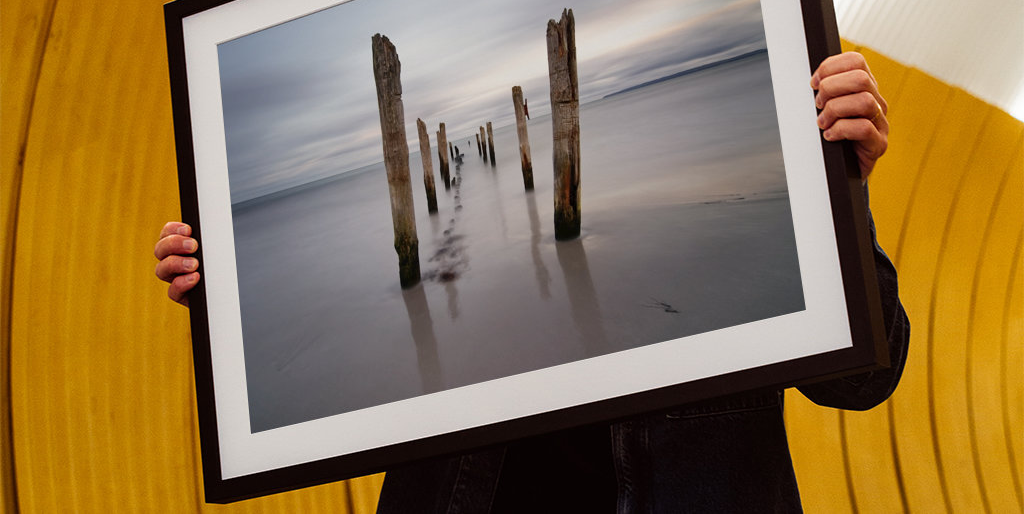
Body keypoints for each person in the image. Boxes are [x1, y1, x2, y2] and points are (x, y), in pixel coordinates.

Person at [154, 52, 908, 512]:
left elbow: (865, 378)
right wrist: (235, 292)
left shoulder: (765, 197)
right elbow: (355, 361)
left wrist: (839, 187)